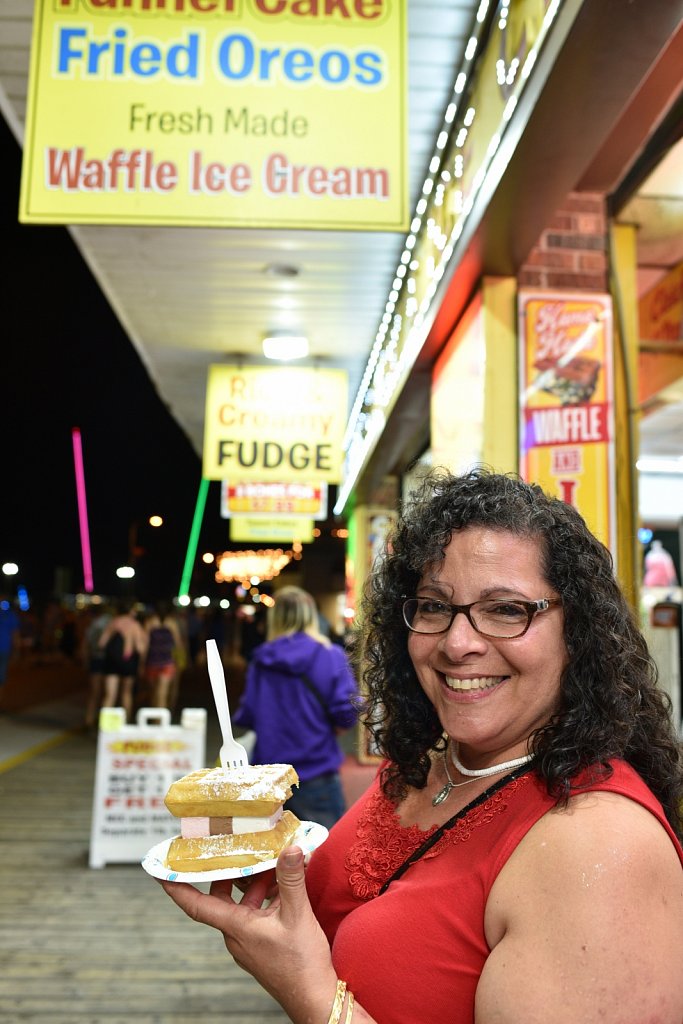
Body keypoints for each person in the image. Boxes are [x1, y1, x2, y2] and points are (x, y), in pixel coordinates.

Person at [159, 469, 683, 1024]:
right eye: (434, 606)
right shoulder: (431, 766)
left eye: (506, 610)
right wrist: (262, 861)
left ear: (577, 634)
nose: (458, 643)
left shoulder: (599, 848)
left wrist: (310, 994)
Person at [232, 586, 359, 829]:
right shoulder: (330, 655)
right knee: (321, 857)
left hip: (270, 778)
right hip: (316, 771)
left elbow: (247, 714)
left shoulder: (261, 660)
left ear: (275, 618)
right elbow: (346, 711)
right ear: (312, 616)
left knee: (273, 858)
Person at [98, 599, 147, 722]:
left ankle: (105, 726)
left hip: (112, 661)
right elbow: (140, 648)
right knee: (126, 694)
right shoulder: (135, 625)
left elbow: (101, 644)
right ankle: (125, 723)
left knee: (109, 695)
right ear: (131, 611)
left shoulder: (113, 623)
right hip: (128, 662)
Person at [142, 601, 184, 713]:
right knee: (162, 693)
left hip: (152, 661)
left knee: (153, 693)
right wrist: (179, 661)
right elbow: (178, 644)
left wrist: (141, 662)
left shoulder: (149, 623)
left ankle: (156, 717)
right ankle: (160, 721)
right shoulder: (172, 623)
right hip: (167, 661)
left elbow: (145, 645)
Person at [82, 603, 113, 728]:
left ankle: (89, 719)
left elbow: (85, 645)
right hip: (109, 660)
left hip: (96, 659)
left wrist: (85, 661)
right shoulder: (111, 622)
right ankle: (103, 722)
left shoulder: (92, 625)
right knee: (108, 692)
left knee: (94, 692)